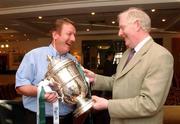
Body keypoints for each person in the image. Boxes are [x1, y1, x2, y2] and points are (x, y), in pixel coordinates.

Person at [84, 7, 174, 124]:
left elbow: (149, 104)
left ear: (137, 25)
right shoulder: (127, 53)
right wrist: (95, 78)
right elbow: (118, 81)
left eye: (122, 27)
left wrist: (108, 104)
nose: (119, 33)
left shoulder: (160, 56)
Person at [15, 18, 77, 124]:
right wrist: (42, 93)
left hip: (68, 118)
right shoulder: (33, 55)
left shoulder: (73, 60)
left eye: (74, 34)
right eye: (69, 34)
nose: (74, 39)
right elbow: (20, 87)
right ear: (55, 35)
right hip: (39, 119)